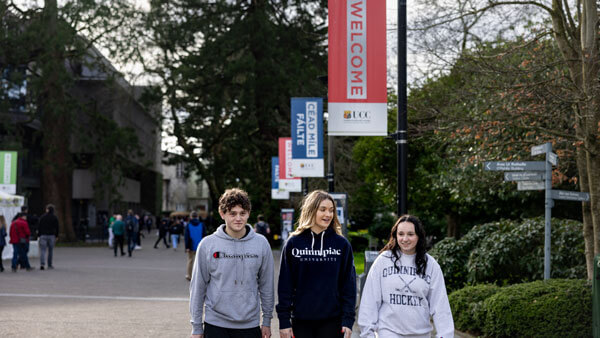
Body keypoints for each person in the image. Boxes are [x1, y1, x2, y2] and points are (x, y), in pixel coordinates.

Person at [189, 188, 274, 338]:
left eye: (242, 213)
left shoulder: (261, 244)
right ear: (222, 214)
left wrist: (266, 320)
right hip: (216, 324)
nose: (238, 218)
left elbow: (267, 285)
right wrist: (196, 326)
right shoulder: (207, 245)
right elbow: (198, 288)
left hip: (250, 324)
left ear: (248, 213)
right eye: (232, 213)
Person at [358, 215, 454, 338]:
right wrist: (367, 333)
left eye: (410, 234)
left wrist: (445, 335)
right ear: (395, 236)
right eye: (401, 234)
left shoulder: (431, 265)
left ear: (418, 236)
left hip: (420, 333)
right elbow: (369, 300)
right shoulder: (383, 261)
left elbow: (440, 305)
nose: (405, 239)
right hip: (388, 331)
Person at [276, 190, 356, 338]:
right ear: (311, 210)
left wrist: (348, 319)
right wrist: (284, 321)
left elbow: (348, 286)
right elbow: (285, 285)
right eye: (323, 209)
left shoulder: (342, 245)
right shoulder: (293, 243)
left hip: (333, 322)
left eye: (331, 210)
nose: (328, 214)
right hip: (301, 322)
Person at [37, 204, 59, 270]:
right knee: (50, 251)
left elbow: (39, 226)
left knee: (43, 250)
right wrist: (56, 235)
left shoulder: (42, 217)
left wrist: (38, 235)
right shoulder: (54, 217)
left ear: (47, 210)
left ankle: (42, 264)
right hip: (51, 235)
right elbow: (57, 227)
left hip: (43, 235)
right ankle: (49, 264)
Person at [184, 211, 204, 281]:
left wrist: (187, 247)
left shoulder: (188, 225)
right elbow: (204, 235)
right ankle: (199, 276)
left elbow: (186, 237)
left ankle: (189, 275)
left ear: (191, 217)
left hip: (191, 246)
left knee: (190, 260)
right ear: (197, 217)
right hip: (200, 245)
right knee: (200, 261)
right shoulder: (202, 224)